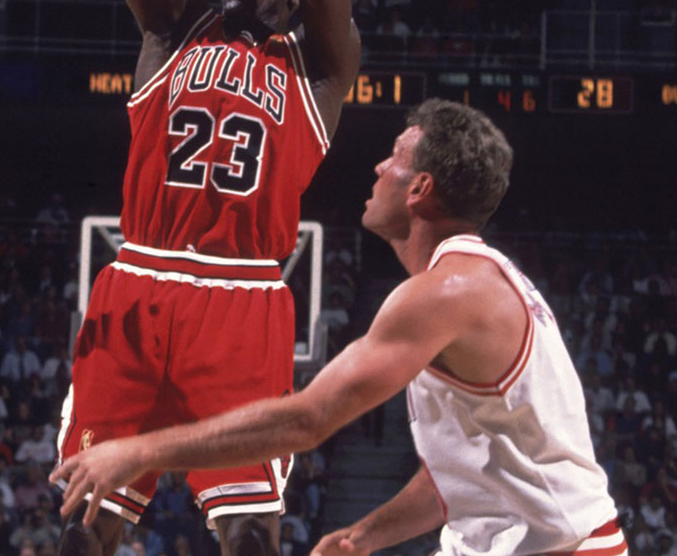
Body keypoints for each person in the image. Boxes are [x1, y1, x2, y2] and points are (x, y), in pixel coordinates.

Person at [53, 100, 629, 556]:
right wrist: (366, 537)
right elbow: (458, 474)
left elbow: (308, 420)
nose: (378, 167)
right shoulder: (471, 282)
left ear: (420, 188)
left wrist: (135, 451)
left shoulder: (446, 294)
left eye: (395, 157)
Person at [54, 0, 358, 555]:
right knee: (88, 522)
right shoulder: (171, 27)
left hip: (243, 294)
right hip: (138, 279)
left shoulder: (321, 68)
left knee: (250, 534)